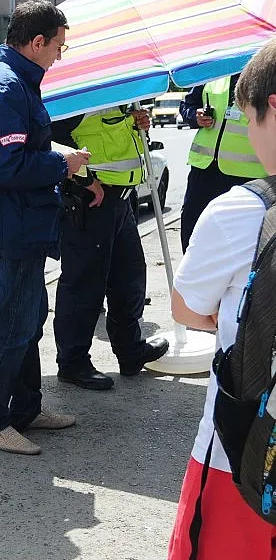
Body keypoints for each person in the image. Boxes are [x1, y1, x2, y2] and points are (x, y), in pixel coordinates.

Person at [0, 0, 89, 456]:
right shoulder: (5, 86)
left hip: (17, 222)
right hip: (12, 226)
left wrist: (56, 159)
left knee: (29, 317)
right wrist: (62, 163)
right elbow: (9, 166)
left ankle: (26, 409)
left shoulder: (7, 79)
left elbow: (15, 153)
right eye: (58, 47)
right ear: (37, 42)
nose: (58, 56)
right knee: (15, 321)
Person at [168, 39, 276, 559]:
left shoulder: (239, 213)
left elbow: (186, 308)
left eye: (248, 117)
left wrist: (242, 320)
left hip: (243, 455)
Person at [50, 106, 169, 390]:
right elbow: (50, 143)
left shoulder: (120, 99)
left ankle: (131, 352)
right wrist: (85, 180)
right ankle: (73, 363)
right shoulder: (79, 97)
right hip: (90, 201)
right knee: (84, 285)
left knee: (129, 280)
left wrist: (137, 124)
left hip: (121, 200)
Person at [179, 72, 266, 253]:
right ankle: (193, 269)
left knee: (239, 241)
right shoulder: (214, 71)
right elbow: (187, 105)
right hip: (204, 169)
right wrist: (195, 116)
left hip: (247, 176)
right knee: (193, 229)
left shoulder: (264, 75)